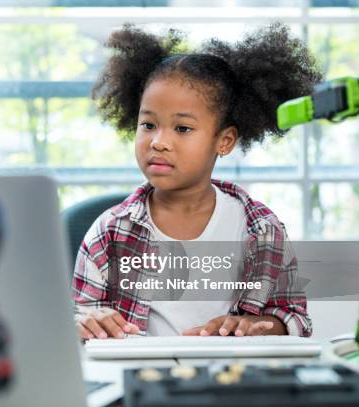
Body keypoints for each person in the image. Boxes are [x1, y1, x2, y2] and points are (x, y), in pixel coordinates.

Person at [73, 22, 322, 340]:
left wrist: (258, 326)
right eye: (148, 124)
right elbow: (77, 320)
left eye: (183, 129)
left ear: (225, 140)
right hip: (139, 381)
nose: (158, 142)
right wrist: (86, 321)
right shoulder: (109, 232)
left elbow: (294, 318)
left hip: (226, 384)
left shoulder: (262, 230)